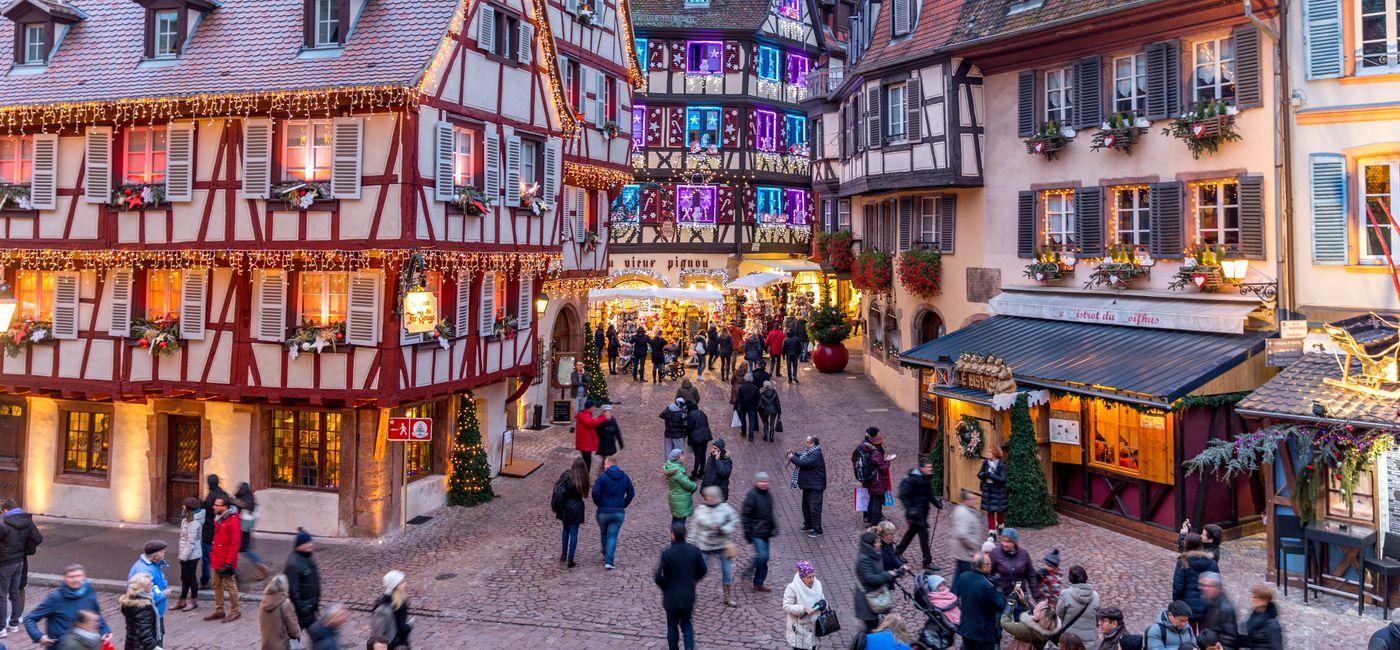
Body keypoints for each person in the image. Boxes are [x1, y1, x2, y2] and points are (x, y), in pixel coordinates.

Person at [24, 565, 110, 646]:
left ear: (84, 576)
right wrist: (39, 637)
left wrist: (104, 630)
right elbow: (30, 618)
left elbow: (96, 613)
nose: (76, 579)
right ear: (65, 578)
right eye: (71, 577)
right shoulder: (55, 598)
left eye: (78, 576)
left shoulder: (89, 592)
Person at [655, 521, 707, 650]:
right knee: (686, 624)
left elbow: (658, 577)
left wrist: (665, 587)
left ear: (673, 535)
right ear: (685, 534)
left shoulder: (667, 553)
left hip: (671, 597)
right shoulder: (694, 551)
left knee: (672, 625)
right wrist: (694, 580)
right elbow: (703, 570)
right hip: (687, 595)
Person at [688, 486, 740, 607]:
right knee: (700, 571)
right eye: (707, 496)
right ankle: (690, 592)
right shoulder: (701, 510)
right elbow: (694, 530)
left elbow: (734, 521)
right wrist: (690, 545)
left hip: (723, 545)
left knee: (727, 571)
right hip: (705, 546)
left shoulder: (725, 508)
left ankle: (727, 597)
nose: (708, 498)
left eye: (711, 496)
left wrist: (723, 529)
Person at [0, 498, 41, 634]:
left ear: (5, 510)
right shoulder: (27, 522)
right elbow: (38, 538)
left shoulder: (4, 524)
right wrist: (26, 549)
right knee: (16, 592)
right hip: (20, 561)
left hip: (5, 562)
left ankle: (1, 628)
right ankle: (14, 623)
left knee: (2, 594)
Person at [896, 457, 942, 571]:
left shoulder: (926, 478)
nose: (930, 469)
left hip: (921, 512)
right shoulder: (912, 479)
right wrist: (910, 509)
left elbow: (929, 495)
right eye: (928, 468)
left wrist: (937, 504)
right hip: (915, 513)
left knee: (911, 533)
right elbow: (903, 495)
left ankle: (897, 552)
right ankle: (927, 561)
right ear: (921, 468)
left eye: (931, 467)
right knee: (924, 536)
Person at [954, 552, 1007, 650]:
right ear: (983, 567)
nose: (991, 566)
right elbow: (1001, 605)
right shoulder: (987, 586)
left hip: (966, 629)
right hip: (983, 633)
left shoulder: (963, 577)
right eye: (989, 564)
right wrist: (998, 589)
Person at [590, 456, 634, 570]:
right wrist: (623, 504)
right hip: (618, 512)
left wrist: (599, 502)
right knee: (612, 536)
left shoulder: (602, 478)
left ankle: (606, 554)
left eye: (605, 464)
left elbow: (595, 492)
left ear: (609, 465)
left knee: (604, 532)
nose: (604, 466)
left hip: (603, 511)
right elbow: (631, 493)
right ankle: (609, 561)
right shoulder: (625, 478)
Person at [203, 496, 241, 622]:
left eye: (217, 505)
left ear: (225, 507)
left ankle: (235, 611)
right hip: (216, 558)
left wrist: (229, 562)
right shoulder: (219, 518)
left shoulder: (233, 520)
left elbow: (235, 542)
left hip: (226, 560)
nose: (214, 507)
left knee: (230, 586)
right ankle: (219, 610)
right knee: (216, 584)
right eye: (215, 504)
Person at [853, 531, 899, 633]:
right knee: (871, 629)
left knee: (875, 628)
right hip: (867, 601)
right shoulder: (864, 559)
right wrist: (888, 575)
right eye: (878, 542)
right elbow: (871, 579)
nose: (880, 544)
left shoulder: (873, 554)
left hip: (875, 597)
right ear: (872, 544)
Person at [1172, 533, 1220, 627]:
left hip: (1188, 607)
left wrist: (1176, 604)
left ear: (1186, 545)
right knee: (1204, 637)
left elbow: (1178, 587)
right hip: (1207, 608)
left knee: (1189, 637)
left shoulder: (1183, 562)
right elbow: (1217, 584)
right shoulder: (1212, 563)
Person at [740, 472, 776, 592]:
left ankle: (759, 582)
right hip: (756, 532)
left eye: (765, 481)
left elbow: (769, 513)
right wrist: (748, 531)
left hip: (765, 532)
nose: (764, 483)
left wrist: (773, 526)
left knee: (765, 558)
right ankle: (750, 571)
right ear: (757, 482)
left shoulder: (768, 495)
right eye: (761, 481)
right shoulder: (752, 495)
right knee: (763, 556)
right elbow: (746, 514)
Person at [551, 457, 589, 568]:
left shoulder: (566, 476)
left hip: (565, 507)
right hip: (577, 507)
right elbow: (584, 495)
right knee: (574, 533)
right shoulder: (583, 479)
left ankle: (564, 554)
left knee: (565, 530)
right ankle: (570, 560)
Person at [284, 527, 321, 635]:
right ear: (300, 545)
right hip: (302, 613)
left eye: (310, 542)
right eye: (307, 542)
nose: (311, 544)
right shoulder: (293, 564)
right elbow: (293, 591)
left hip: (311, 609)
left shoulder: (308, 557)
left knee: (318, 637)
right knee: (293, 639)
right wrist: (302, 609)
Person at [787, 436, 826, 537]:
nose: (806, 443)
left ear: (812, 444)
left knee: (814, 508)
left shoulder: (816, 454)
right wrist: (795, 454)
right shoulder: (811, 451)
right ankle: (808, 525)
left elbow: (804, 463)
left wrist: (792, 457)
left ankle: (818, 530)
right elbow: (802, 457)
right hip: (809, 485)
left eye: (807, 442)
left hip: (815, 486)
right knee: (806, 506)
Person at [233, 482, 272, 581]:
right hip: (247, 530)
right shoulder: (251, 499)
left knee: (235, 549)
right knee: (244, 549)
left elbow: (234, 513)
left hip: (239, 530)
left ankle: (233, 571)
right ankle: (259, 563)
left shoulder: (239, 501)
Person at [855, 428, 894, 526]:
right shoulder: (876, 454)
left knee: (872, 500)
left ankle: (869, 518)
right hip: (877, 481)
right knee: (876, 502)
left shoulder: (865, 447)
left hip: (871, 479)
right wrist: (888, 461)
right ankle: (875, 522)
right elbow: (883, 468)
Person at [126, 540, 169, 627]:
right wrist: (164, 594)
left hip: (153, 612)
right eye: (162, 551)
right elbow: (148, 595)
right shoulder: (144, 571)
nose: (165, 552)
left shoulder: (154, 565)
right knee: (152, 638)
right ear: (156, 556)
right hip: (149, 614)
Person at [783, 561, 823, 650]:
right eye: (809, 577)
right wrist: (803, 609)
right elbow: (786, 606)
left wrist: (823, 604)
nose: (812, 579)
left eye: (813, 576)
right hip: (799, 632)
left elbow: (823, 599)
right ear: (802, 578)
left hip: (813, 630)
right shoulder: (792, 588)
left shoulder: (818, 585)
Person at [1057, 566, 1100, 649]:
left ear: (1070, 579)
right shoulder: (1096, 596)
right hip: (1090, 643)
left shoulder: (1065, 594)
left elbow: (1059, 616)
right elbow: (1097, 620)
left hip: (1069, 643)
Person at [199, 474, 230, 587]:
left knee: (207, 558)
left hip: (210, 530)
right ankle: (226, 578)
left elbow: (204, 508)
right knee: (221, 555)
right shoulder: (223, 494)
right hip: (221, 530)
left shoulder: (211, 498)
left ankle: (205, 580)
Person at [369, 570, 412, 650]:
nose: (405, 583)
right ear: (395, 585)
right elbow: (402, 627)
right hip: (399, 643)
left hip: (389, 643)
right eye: (402, 582)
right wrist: (409, 625)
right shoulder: (398, 602)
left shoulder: (382, 600)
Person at [119, 573, 161, 650]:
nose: (151, 584)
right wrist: (155, 647)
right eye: (149, 584)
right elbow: (144, 633)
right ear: (143, 588)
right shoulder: (143, 607)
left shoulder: (130, 601)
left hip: (131, 643)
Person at [175, 498, 203, 611]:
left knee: (191, 578)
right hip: (185, 554)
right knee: (184, 578)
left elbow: (190, 543)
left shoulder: (194, 523)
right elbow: (183, 539)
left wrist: (183, 557)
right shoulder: (185, 521)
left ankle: (193, 601)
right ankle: (182, 601)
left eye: (184, 506)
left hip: (192, 555)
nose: (182, 508)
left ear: (188, 509)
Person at [258, 574, 299, 650]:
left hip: (266, 646)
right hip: (282, 645)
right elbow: (293, 630)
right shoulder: (285, 603)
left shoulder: (263, 602)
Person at [951, 489, 984, 582]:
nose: (974, 501)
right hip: (966, 553)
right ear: (965, 500)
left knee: (958, 577)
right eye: (972, 499)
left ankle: (953, 595)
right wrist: (973, 546)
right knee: (972, 579)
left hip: (962, 552)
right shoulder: (964, 513)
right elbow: (962, 534)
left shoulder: (964, 510)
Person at [990, 528, 1034, 596]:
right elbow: (988, 573)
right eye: (1003, 541)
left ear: (1014, 542)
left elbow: (1031, 574)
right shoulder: (995, 553)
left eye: (1008, 542)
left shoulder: (1024, 554)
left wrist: (1036, 595)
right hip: (1003, 595)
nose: (1004, 544)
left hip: (1020, 594)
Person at [1198, 572, 1237, 648]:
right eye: (1202, 585)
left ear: (1217, 588)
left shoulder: (1225, 609)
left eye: (1208, 586)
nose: (1204, 589)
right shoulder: (1211, 602)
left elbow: (1230, 639)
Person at [664, 449, 698, 526]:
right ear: (677, 458)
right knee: (680, 521)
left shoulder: (670, 467)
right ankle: (679, 537)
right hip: (681, 500)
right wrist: (695, 486)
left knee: (675, 518)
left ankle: (674, 536)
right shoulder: (678, 471)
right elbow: (687, 484)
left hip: (674, 498)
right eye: (681, 455)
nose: (683, 457)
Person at [978, 447, 1008, 534]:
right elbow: (979, 474)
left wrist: (990, 475)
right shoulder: (986, 462)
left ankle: (1001, 525)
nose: (987, 453)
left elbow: (1003, 479)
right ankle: (992, 532)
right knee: (990, 511)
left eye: (989, 452)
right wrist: (984, 474)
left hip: (999, 490)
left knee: (1000, 511)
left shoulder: (1002, 464)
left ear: (995, 454)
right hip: (987, 489)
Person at [1242, 585, 1282, 650]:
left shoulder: (1272, 624)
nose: (1252, 599)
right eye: (1253, 596)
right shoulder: (1253, 616)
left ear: (1265, 601)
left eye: (1256, 597)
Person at [575, 400, 607, 467]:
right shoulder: (584, 415)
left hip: (585, 442)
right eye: (594, 407)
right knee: (587, 461)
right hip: (585, 442)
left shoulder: (584, 414)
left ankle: (585, 474)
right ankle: (585, 475)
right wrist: (604, 417)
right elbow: (592, 422)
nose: (594, 408)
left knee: (587, 459)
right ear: (591, 407)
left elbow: (593, 421)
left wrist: (601, 416)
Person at [686, 403, 713, 479]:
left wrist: (686, 435)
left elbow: (689, 427)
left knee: (697, 456)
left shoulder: (691, 415)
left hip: (696, 438)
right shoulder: (702, 413)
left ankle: (694, 473)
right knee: (703, 454)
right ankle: (701, 472)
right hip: (706, 435)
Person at [735, 378, 761, 442]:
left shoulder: (742, 387)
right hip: (752, 407)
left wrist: (736, 406)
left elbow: (738, 398)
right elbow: (758, 398)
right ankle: (751, 436)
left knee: (743, 419)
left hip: (743, 406)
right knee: (751, 421)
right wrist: (757, 406)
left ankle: (743, 432)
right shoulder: (755, 388)